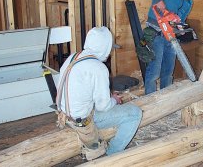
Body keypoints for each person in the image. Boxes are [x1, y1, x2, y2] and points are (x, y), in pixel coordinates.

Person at [56, 26, 142, 157]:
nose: (109, 53)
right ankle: (113, 154)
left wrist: (108, 96)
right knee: (135, 113)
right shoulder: (98, 68)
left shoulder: (74, 56)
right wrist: (114, 100)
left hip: (64, 114)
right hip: (82, 120)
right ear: (105, 48)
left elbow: (83, 90)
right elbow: (103, 106)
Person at [142, 0, 203, 95]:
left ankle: (166, 96)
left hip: (171, 37)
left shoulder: (188, 3)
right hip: (155, 32)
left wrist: (179, 26)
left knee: (168, 71)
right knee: (154, 71)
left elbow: (180, 19)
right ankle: (149, 98)